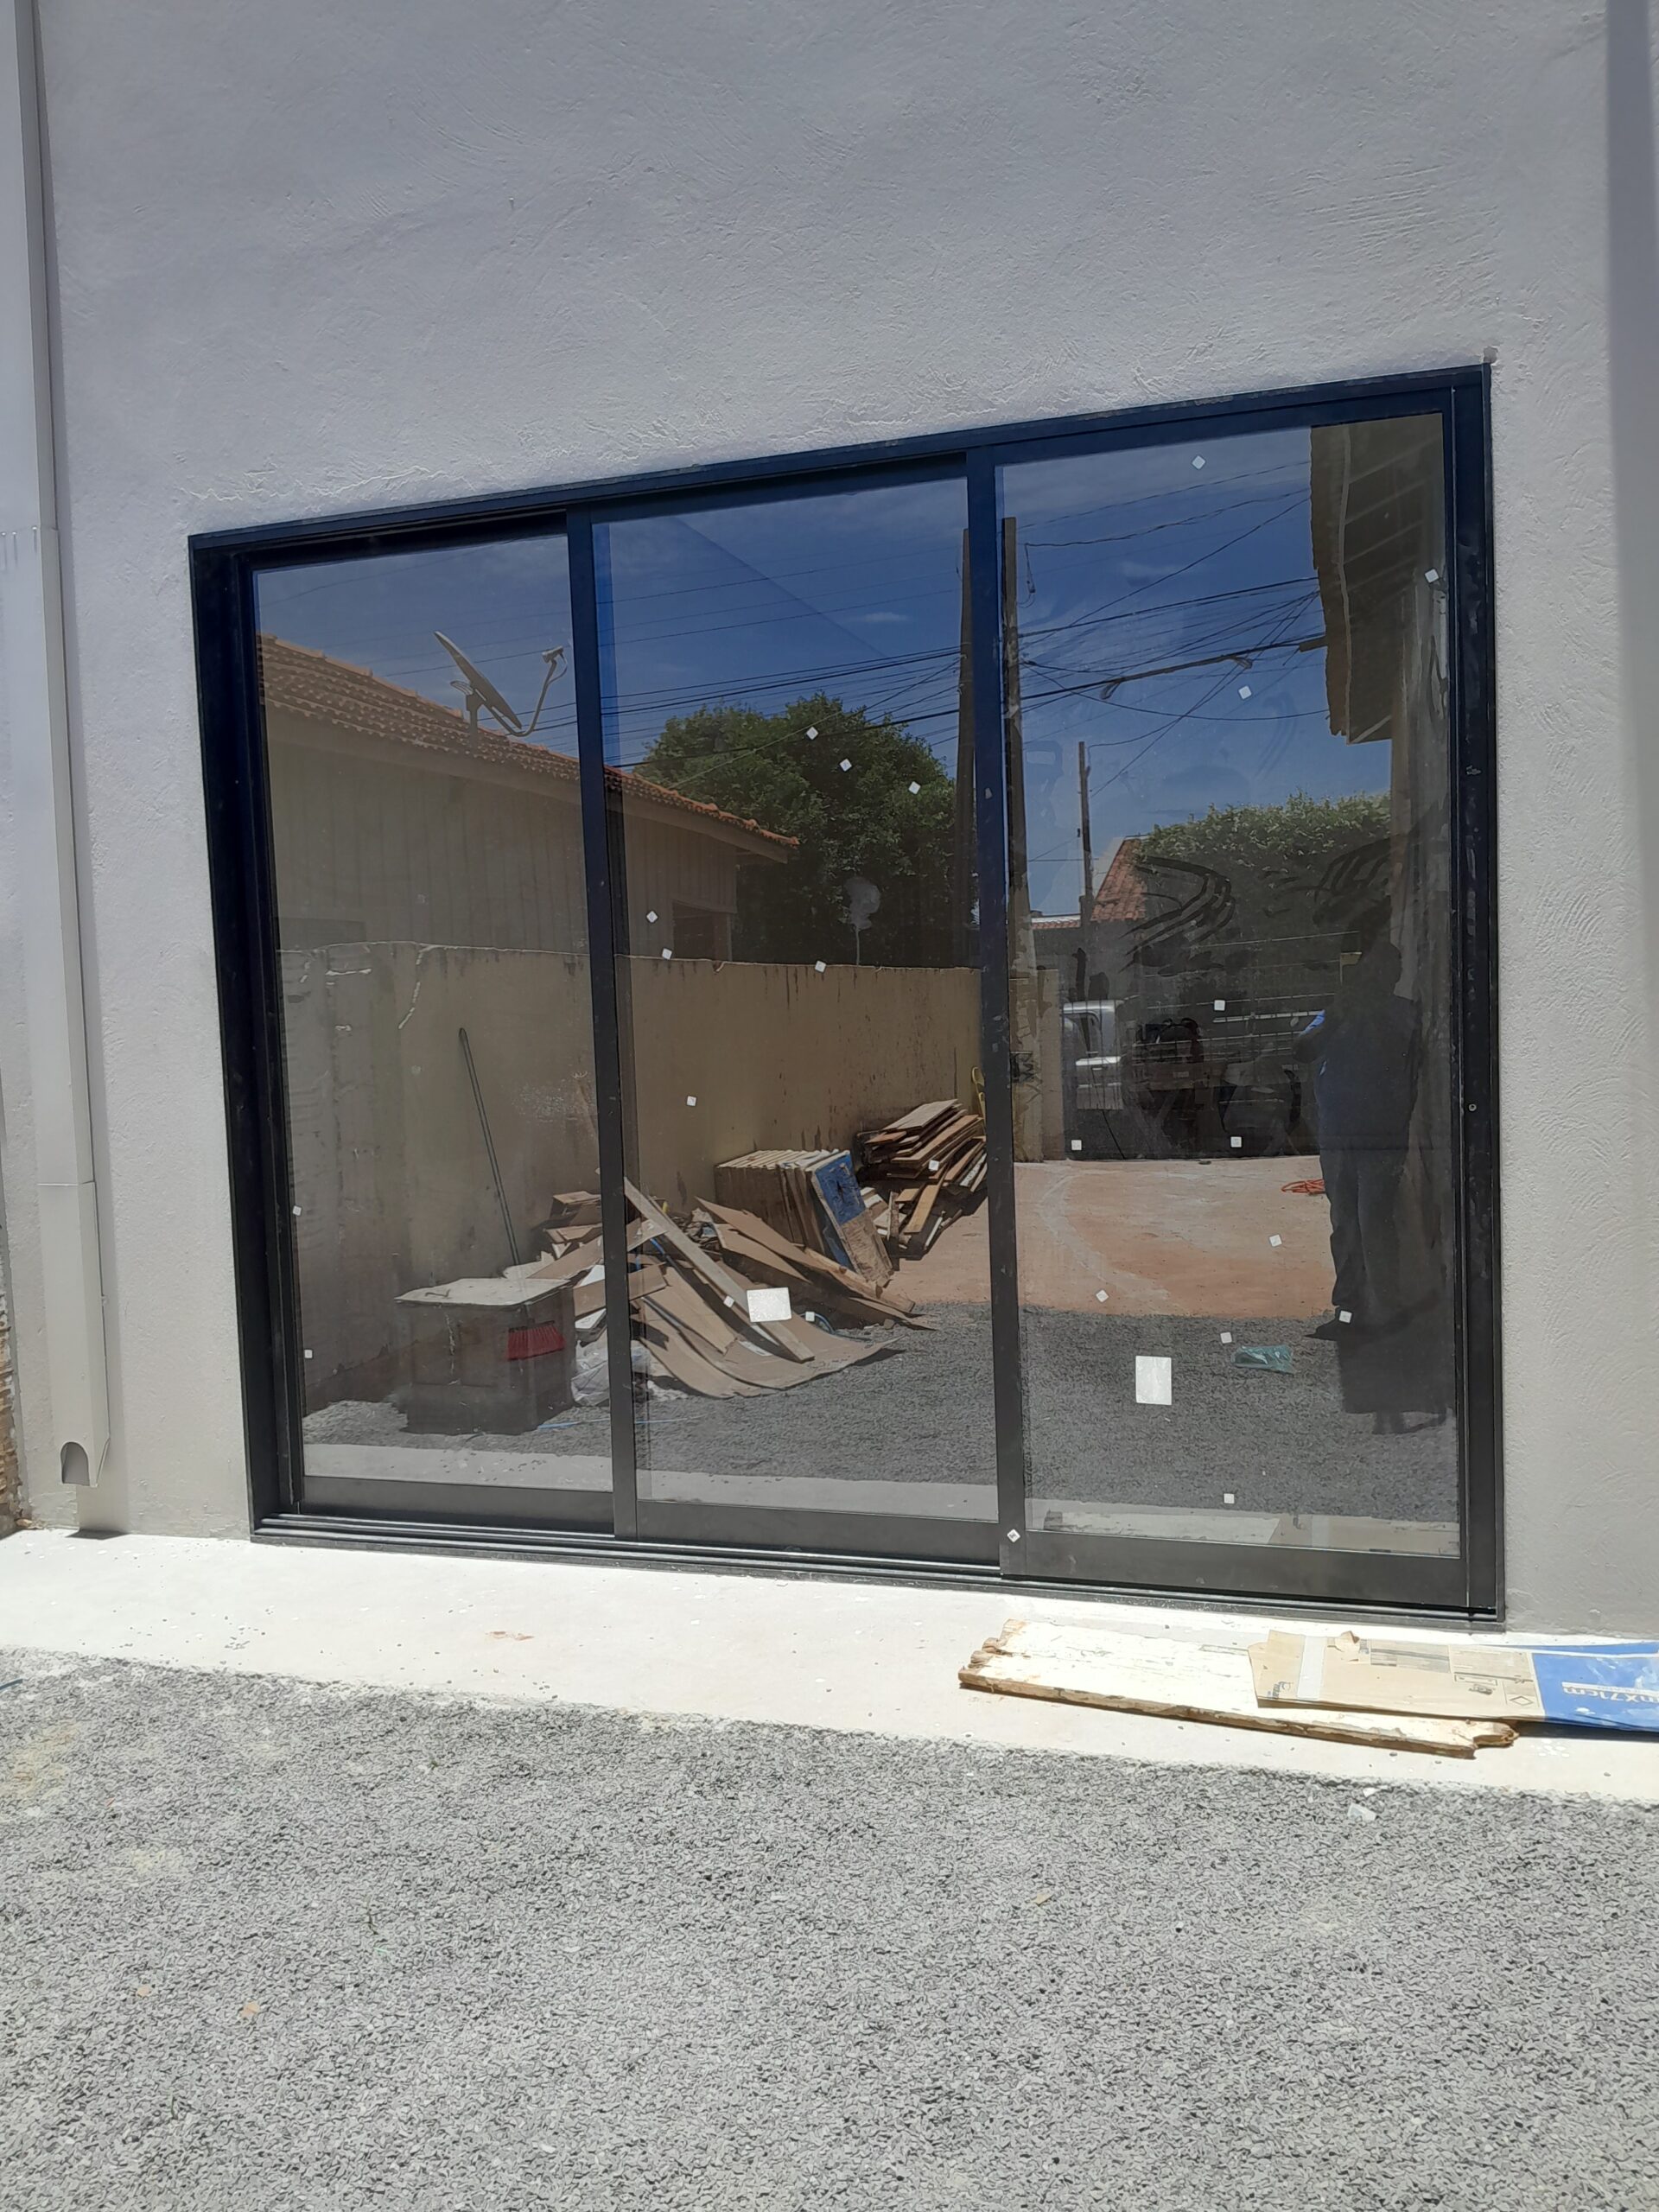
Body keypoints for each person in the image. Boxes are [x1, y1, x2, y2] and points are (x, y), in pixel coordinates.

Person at [1300, 938, 1419, 1338]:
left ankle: (1387, 1312)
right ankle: (1350, 1312)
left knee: (1374, 1223)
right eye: (1371, 969)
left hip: (1381, 1136)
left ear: (1395, 976)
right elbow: (1301, 1049)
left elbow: (1405, 1067)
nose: (1377, 976)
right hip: (1339, 1133)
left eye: (1387, 969)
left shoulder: (1403, 1014)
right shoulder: (1339, 1011)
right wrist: (1339, 1014)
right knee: (1346, 1223)